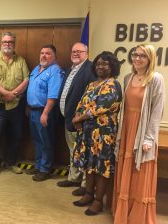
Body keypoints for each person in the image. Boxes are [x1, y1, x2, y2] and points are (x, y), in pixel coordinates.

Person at [112, 44, 165, 224]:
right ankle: (123, 213)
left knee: (139, 173)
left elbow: (157, 111)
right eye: (135, 54)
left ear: (150, 59)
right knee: (125, 170)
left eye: (142, 55)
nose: (137, 58)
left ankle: (137, 217)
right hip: (126, 130)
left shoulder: (156, 79)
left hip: (142, 132)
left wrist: (149, 138)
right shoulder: (128, 77)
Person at [72, 51, 122, 216]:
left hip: (103, 134)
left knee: (101, 166)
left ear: (112, 66)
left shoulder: (113, 84)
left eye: (105, 64)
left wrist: (79, 118)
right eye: (98, 64)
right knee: (89, 164)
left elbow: (100, 107)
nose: (100, 66)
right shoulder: (92, 84)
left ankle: (98, 201)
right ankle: (88, 194)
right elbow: (82, 103)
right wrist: (77, 118)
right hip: (87, 132)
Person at [0, 32, 29, 176]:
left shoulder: (20, 61)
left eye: (10, 42)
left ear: (14, 44)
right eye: (5, 42)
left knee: (15, 136)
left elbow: (26, 80)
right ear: (1, 43)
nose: (7, 44)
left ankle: (11, 162)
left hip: (15, 106)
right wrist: (5, 93)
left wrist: (13, 94)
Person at [57, 42, 96, 196]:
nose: (75, 54)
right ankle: (74, 177)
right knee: (73, 151)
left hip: (81, 122)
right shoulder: (70, 70)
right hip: (68, 119)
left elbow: (90, 98)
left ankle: (86, 184)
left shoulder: (90, 70)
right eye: (73, 51)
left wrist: (80, 118)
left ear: (86, 53)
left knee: (84, 153)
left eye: (79, 51)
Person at [26, 44, 63, 181]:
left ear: (54, 57)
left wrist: (45, 113)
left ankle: (45, 169)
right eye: (42, 53)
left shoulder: (55, 71)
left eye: (47, 53)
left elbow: (52, 95)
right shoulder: (37, 68)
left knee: (46, 141)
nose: (44, 55)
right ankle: (38, 165)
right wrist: (28, 106)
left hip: (45, 112)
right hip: (33, 111)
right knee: (37, 141)